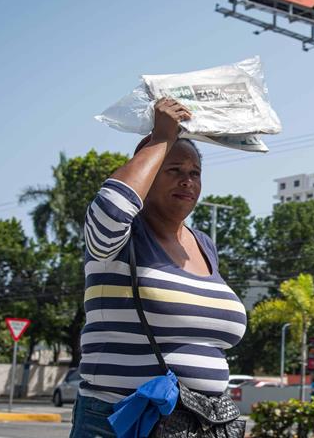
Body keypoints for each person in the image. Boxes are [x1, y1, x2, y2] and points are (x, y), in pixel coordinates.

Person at [70, 98, 247, 438]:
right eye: (174, 170)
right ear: (147, 174)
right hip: (123, 419)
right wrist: (162, 138)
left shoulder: (204, 245)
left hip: (201, 423)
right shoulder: (123, 237)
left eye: (195, 173)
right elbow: (109, 211)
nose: (187, 181)